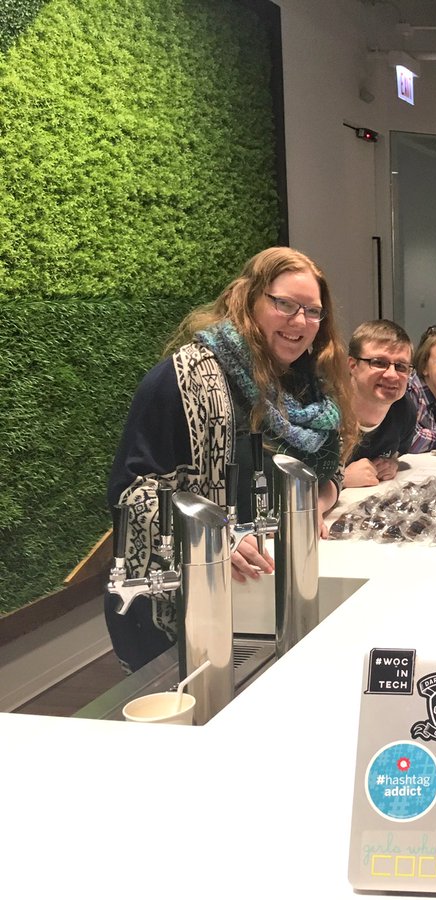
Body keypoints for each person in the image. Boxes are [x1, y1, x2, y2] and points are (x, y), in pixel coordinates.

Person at [107, 247, 356, 672]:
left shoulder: (308, 382)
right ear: (249, 299)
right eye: (285, 304)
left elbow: (329, 465)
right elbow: (134, 494)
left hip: (271, 595)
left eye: (313, 311)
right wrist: (216, 536)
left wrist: (315, 500)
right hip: (187, 614)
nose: (300, 322)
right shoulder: (183, 379)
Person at [344, 320, 417, 488]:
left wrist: (392, 463)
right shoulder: (324, 411)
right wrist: (341, 479)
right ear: (353, 366)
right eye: (379, 363)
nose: (392, 375)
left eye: (401, 366)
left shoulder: (404, 411)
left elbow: (397, 454)